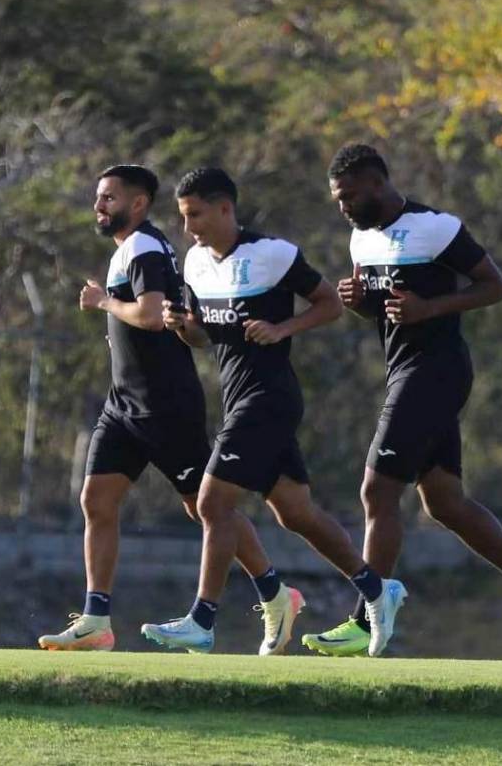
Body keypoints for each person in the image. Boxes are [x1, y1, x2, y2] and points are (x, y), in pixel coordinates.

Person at [302, 143, 502, 660]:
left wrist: (432, 307)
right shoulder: (360, 239)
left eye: (349, 196)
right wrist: (363, 306)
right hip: (403, 371)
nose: (343, 207)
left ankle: (367, 615)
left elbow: (495, 286)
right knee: (444, 503)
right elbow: (389, 314)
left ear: (378, 184)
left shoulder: (435, 227)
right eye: (337, 199)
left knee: (377, 490)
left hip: (438, 372)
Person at [38, 164, 294, 655]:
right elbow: (180, 324)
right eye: (99, 197)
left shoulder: (144, 248)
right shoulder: (132, 249)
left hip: (163, 406)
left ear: (137, 204)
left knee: (204, 507)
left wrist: (103, 304)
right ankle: (95, 620)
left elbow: (152, 316)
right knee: (96, 500)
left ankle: (276, 595)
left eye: (109, 198)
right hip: (124, 405)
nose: (99, 206)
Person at [142, 166, 395, 654]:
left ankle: (203, 619)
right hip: (237, 398)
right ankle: (378, 590)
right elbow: (202, 336)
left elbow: (329, 304)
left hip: (270, 398)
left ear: (225, 208)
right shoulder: (194, 263)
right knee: (295, 513)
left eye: (195, 214)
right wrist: (182, 324)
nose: (189, 226)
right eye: (183, 216)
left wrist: (283, 329)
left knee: (212, 503)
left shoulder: (271, 254)